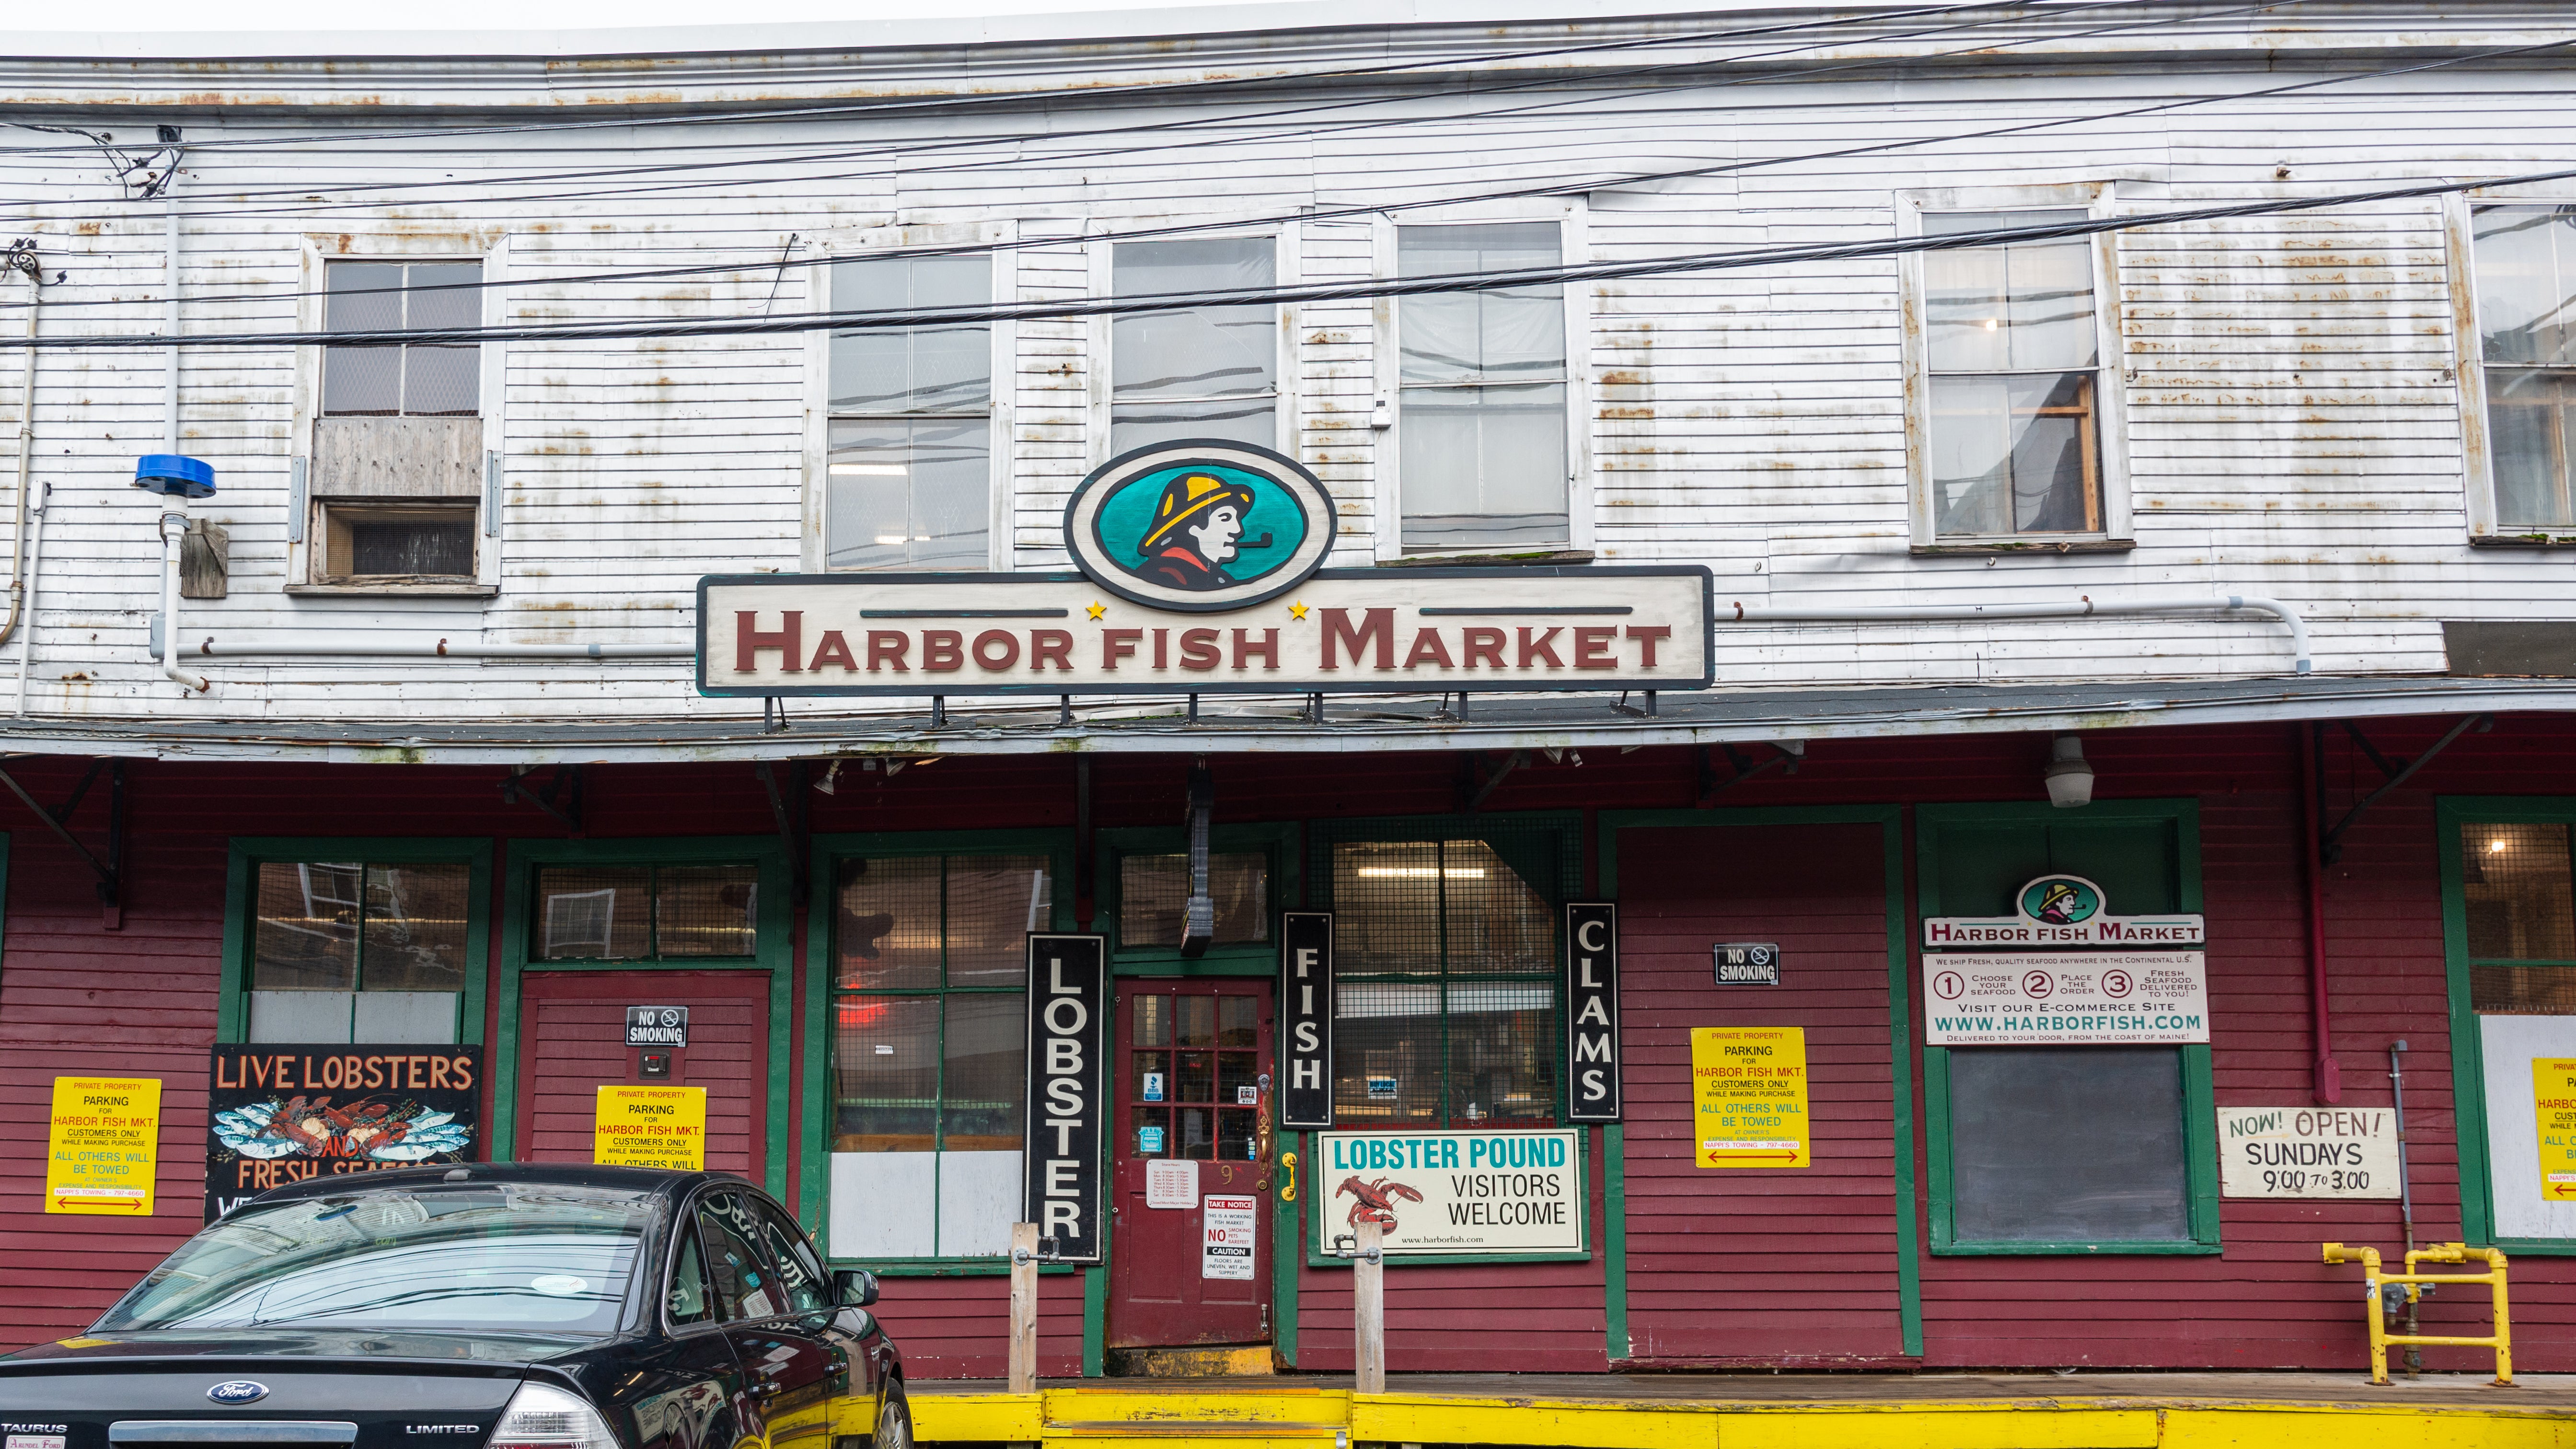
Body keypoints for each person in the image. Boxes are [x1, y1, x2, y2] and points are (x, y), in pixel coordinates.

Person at [1136, 472, 1257, 591]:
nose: (1239, 530)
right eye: (1225, 518)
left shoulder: (1219, 578)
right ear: (1193, 527)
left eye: (1236, 519)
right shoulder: (1165, 575)